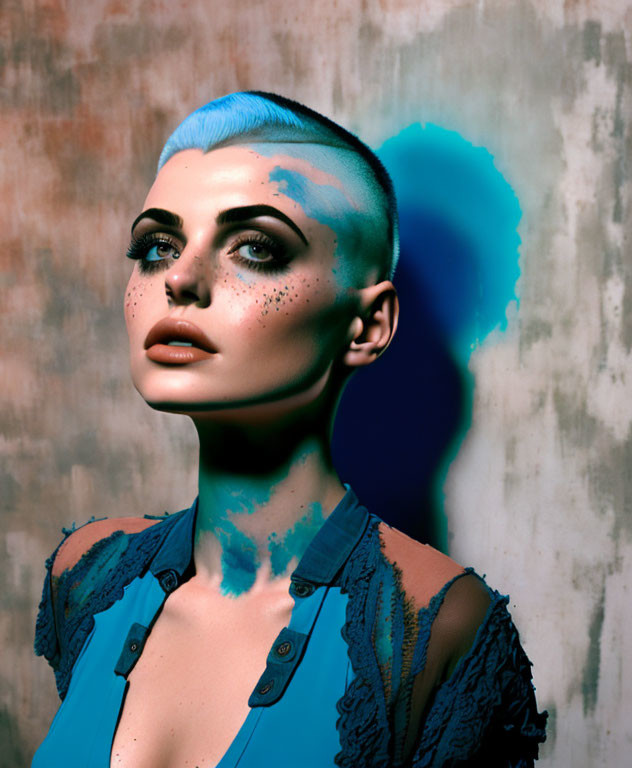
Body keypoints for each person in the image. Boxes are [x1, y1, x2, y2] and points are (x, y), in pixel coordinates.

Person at [32, 92, 547, 768]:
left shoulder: (438, 628)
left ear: (367, 327)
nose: (180, 278)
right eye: (157, 245)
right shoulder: (90, 577)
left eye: (255, 248)